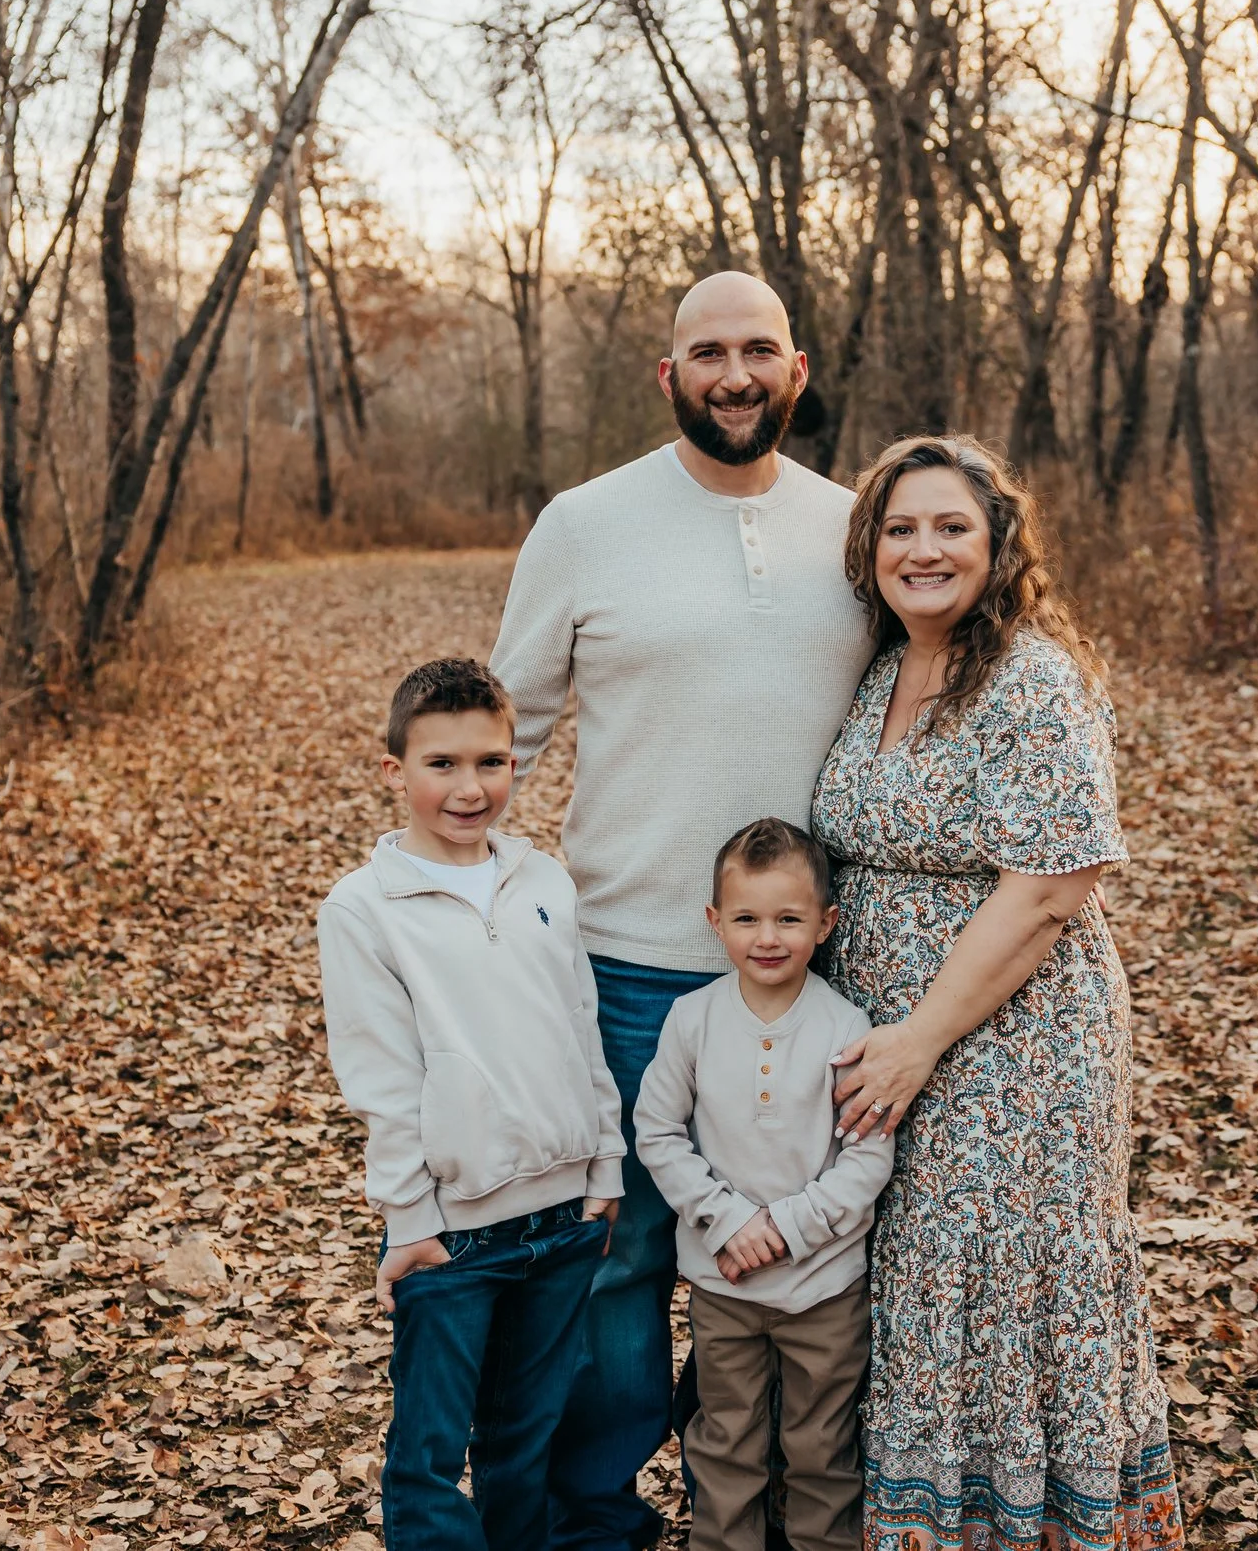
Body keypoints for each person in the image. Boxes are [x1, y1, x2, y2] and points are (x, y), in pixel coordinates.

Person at [492, 273, 876, 1549]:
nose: (733, 372)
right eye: (705, 351)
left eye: (756, 349)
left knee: (801, 1265)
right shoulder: (585, 524)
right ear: (667, 376)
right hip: (629, 968)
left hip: (818, 975)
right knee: (617, 1271)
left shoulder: (853, 527)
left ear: (797, 368)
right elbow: (512, 734)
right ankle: (597, 1519)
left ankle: (759, 1511)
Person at [811, 438, 1187, 1551]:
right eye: (898, 528)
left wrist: (920, 1038)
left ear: (997, 544)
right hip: (888, 1035)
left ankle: (1029, 1529)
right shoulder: (881, 668)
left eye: (949, 527)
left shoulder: (1030, 675)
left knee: (992, 1276)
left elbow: (1052, 884)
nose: (922, 548)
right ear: (868, 548)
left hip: (1013, 1041)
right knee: (918, 1277)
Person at [317, 658, 627, 1551]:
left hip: (565, 1220)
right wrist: (409, 1216)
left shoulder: (544, 883)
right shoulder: (365, 910)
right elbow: (381, 1080)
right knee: (427, 1459)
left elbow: (583, 1030)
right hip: (452, 1233)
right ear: (395, 772)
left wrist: (603, 1168)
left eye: (491, 762)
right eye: (442, 764)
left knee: (522, 1446)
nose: (469, 786)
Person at [635, 818, 895, 1551]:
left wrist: (786, 1227)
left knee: (820, 1447)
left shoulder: (848, 1028)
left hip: (824, 1287)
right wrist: (726, 1220)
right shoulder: (692, 1022)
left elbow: (866, 1158)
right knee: (726, 1439)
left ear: (826, 922)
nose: (768, 936)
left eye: (789, 917)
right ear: (716, 922)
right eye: (746, 918)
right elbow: (657, 1131)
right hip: (725, 1285)